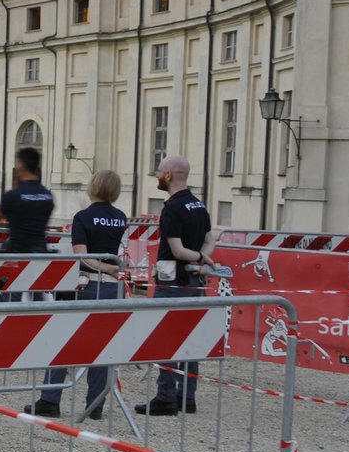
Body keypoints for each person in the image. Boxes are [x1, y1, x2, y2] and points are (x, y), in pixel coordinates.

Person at [27, 170, 128, 420]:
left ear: (93, 187)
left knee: (64, 340)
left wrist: (104, 266)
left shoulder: (83, 217)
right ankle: (96, 403)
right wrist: (113, 269)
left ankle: (50, 399)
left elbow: (82, 256)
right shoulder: (120, 217)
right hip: (112, 288)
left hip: (87, 285)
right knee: (102, 346)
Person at [136, 155, 216, 415]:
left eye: (159, 172)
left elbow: (178, 250)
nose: (157, 176)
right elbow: (210, 239)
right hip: (195, 282)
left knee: (165, 339)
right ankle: (187, 397)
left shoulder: (172, 208)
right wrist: (202, 260)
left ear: (169, 175)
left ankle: (166, 397)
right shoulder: (198, 205)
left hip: (171, 283)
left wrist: (199, 258)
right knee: (191, 339)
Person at [0, 146, 55, 253]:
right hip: (41, 251)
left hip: (16, 253)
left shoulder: (13, 195)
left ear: (21, 165)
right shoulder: (48, 195)